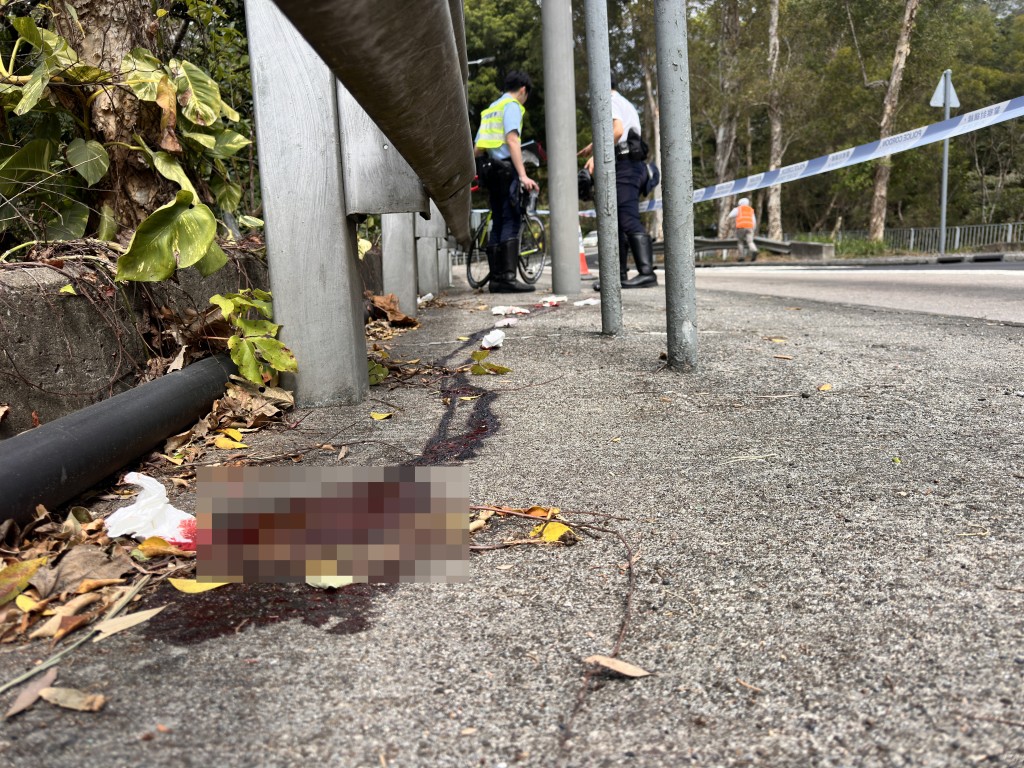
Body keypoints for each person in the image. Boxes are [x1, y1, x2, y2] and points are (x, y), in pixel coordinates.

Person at [578, 77, 656, 291]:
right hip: (629, 164)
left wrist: (596, 154)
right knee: (618, 222)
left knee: (626, 218)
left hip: (626, 167)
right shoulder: (624, 102)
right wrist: (593, 146)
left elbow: (618, 130)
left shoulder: (609, 101)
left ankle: (647, 273)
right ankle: (617, 276)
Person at [474, 71, 540, 293]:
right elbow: (512, 140)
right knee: (511, 219)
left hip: (491, 171)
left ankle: (496, 279)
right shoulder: (512, 106)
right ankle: (508, 278)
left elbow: (478, 148)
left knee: (498, 221)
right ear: (523, 90)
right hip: (506, 171)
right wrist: (523, 175)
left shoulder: (492, 109)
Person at [728, 197, 759, 262]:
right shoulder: (750, 209)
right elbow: (754, 220)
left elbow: (730, 215)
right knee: (750, 241)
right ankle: (754, 250)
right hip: (750, 227)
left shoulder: (738, 209)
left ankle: (741, 257)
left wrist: (734, 210)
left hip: (741, 227)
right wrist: (754, 229)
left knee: (740, 242)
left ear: (740, 203)